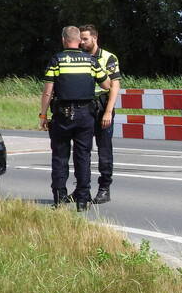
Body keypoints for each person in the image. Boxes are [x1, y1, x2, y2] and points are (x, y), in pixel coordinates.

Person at [39, 26, 110, 210]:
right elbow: (106, 84)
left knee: (60, 156)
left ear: (64, 40)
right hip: (85, 114)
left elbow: (48, 91)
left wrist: (43, 114)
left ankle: (59, 197)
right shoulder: (91, 61)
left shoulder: (57, 60)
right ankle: (82, 199)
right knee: (83, 156)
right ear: (79, 40)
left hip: (62, 115)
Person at [79, 25, 122, 204]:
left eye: (85, 39)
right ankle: (82, 189)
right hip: (84, 107)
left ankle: (104, 188)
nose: (82, 42)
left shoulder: (108, 57)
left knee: (104, 151)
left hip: (102, 106)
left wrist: (109, 111)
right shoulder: (79, 57)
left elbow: (114, 85)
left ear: (95, 38)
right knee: (83, 151)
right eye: (80, 39)